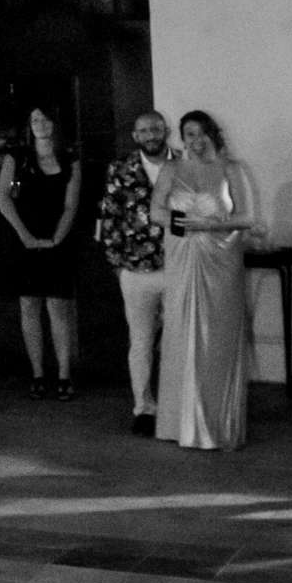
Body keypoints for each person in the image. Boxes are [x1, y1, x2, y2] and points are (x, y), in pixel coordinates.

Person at [151, 110, 259, 453]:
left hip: (221, 261)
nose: (195, 141)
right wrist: (186, 224)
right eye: (189, 135)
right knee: (181, 335)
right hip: (183, 258)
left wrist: (210, 226)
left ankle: (216, 424)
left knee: (218, 340)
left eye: (200, 134)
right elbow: (156, 212)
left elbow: (247, 217)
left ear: (212, 134)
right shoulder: (172, 169)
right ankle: (179, 423)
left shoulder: (232, 169)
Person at [95, 110, 177, 434]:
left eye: (156, 129)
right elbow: (109, 217)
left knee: (174, 341)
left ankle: (174, 404)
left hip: (176, 266)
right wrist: (116, 264)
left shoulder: (182, 165)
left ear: (166, 131)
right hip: (135, 270)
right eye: (144, 131)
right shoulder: (120, 168)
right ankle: (144, 408)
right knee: (140, 342)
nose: (151, 135)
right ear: (135, 136)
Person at [0, 107, 83, 397]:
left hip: (59, 237)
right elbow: (3, 197)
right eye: (34, 119)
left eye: (46, 119)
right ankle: (37, 373)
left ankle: (63, 375)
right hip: (24, 238)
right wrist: (24, 235)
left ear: (55, 123)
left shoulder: (70, 158)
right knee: (29, 306)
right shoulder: (16, 157)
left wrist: (57, 237)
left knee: (58, 307)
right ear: (28, 125)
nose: (41, 124)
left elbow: (72, 204)